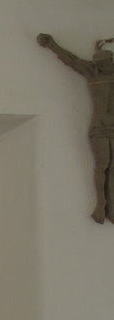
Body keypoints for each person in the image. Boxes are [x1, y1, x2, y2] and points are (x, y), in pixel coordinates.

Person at [37, 33, 114, 222]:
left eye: (106, 62)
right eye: (100, 63)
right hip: (99, 127)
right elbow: (71, 59)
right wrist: (51, 44)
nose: (102, 66)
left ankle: (111, 207)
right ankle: (101, 203)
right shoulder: (92, 72)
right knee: (102, 165)